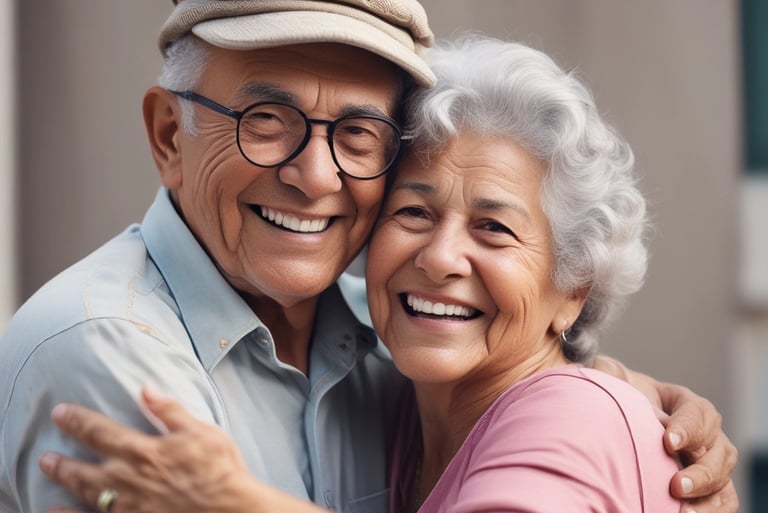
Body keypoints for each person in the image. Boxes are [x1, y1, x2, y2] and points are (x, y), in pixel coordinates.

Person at [0, 1, 735, 512]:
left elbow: (561, 404)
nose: (316, 177)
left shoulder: (381, 351)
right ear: (168, 135)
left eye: (356, 134)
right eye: (266, 119)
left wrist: (617, 401)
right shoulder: (104, 349)